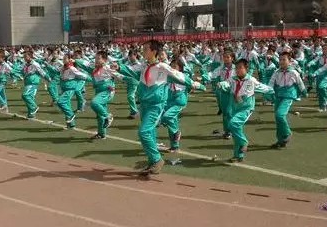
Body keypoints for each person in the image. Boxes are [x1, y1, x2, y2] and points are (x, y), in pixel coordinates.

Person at [115, 40, 202, 175]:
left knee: (143, 132)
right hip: (144, 104)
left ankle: (157, 159)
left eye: (145, 49)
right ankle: (152, 162)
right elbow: (132, 71)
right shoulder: (143, 65)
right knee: (149, 133)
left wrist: (197, 85)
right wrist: (119, 67)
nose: (142, 52)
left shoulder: (163, 67)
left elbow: (181, 77)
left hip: (156, 105)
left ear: (154, 51)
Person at [216, 59, 273, 162]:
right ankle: (238, 155)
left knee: (233, 124)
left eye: (241, 68)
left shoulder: (251, 80)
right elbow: (227, 83)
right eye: (236, 68)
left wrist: (274, 90)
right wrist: (221, 84)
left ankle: (244, 142)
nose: (238, 70)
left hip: (246, 108)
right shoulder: (233, 79)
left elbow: (263, 87)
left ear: (246, 69)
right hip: (234, 108)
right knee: (236, 129)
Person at [161, 57, 205, 152]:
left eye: (174, 66)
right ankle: (174, 146)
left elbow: (193, 83)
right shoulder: (167, 76)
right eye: (171, 66)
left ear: (180, 68)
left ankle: (177, 132)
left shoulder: (182, 76)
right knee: (172, 123)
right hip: (169, 101)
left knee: (167, 117)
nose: (172, 68)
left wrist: (202, 87)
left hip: (179, 101)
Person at [268, 52, 306, 149]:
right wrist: (268, 92)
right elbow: (271, 83)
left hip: (288, 96)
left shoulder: (293, 72)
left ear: (289, 61)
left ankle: (287, 133)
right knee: (278, 119)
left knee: (280, 114)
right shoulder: (276, 72)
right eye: (280, 59)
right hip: (278, 95)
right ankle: (281, 141)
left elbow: (300, 82)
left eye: (284, 59)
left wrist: (304, 91)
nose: (281, 62)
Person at [56, 54, 91, 129]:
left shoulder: (72, 68)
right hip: (64, 88)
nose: (64, 60)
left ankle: (71, 115)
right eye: (63, 59)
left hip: (70, 88)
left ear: (69, 59)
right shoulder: (63, 67)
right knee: (67, 105)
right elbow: (58, 72)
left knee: (60, 102)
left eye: (65, 59)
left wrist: (92, 80)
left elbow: (81, 74)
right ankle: (71, 124)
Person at [21, 50, 50, 119]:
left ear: (30, 56)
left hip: (33, 83)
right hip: (27, 82)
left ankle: (34, 107)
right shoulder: (25, 64)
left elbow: (42, 72)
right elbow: (23, 72)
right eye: (24, 57)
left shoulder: (35, 64)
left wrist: (48, 79)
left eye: (25, 56)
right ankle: (31, 114)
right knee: (29, 98)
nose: (24, 58)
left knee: (25, 95)